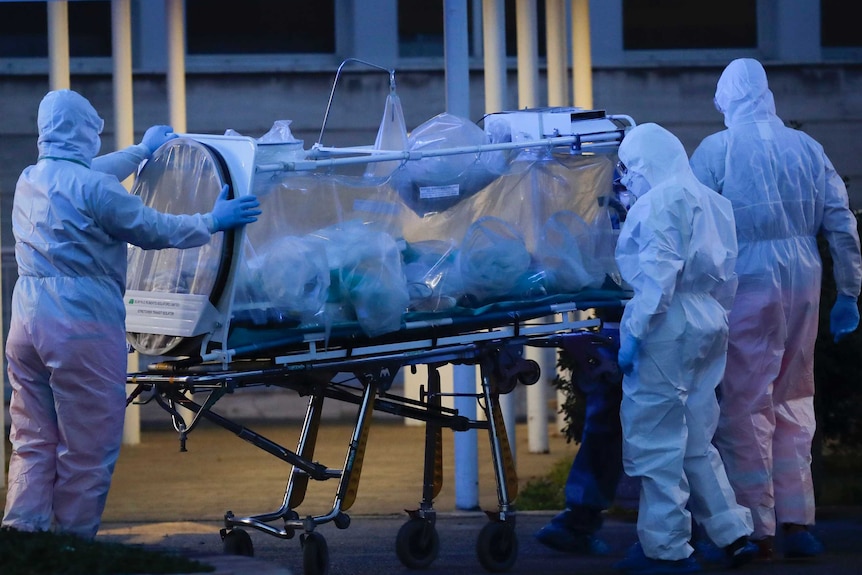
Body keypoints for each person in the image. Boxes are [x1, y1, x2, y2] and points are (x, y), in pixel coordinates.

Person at [2, 89, 261, 540]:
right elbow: (152, 228)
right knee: (87, 444)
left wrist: (142, 151)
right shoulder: (95, 189)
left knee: (32, 438)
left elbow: (87, 175)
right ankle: (72, 547)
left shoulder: (32, 178)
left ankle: (23, 536)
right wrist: (214, 220)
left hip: (25, 323)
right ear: (86, 130)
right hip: (79, 325)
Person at [689, 58, 862, 560]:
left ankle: (755, 527)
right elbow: (841, 223)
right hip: (804, 277)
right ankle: (797, 522)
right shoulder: (807, 148)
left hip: (746, 280)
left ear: (726, 98)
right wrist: (849, 292)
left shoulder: (717, 150)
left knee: (745, 404)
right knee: (794, 397)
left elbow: (691, 222)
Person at [612, 123, 756, 574]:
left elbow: (657, 278)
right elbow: (729, 274)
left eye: (631, 170)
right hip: (709, 319)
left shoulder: (660, 201)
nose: (629, 182)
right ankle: (733, 533)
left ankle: (666, 549)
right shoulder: (714, 202)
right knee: (696, 436)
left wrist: (634, 332)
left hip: (666, 324)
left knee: (655, 440)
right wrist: (716, 320)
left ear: (649, 163)